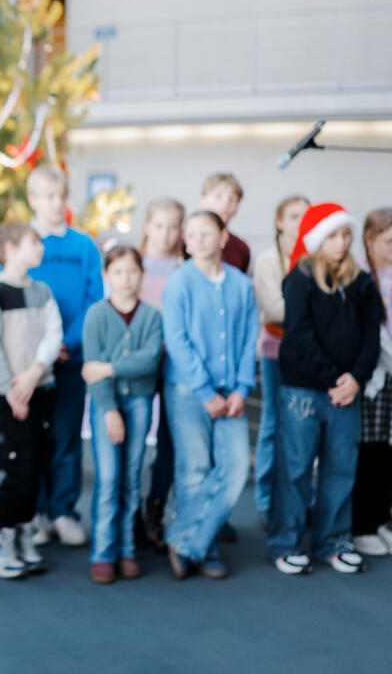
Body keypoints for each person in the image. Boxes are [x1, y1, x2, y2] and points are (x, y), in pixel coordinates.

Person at [268, 203, 383, 575]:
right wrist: (336, 378)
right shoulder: (299, 278)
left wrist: (356, 378)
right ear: (318, 238)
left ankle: (333, 541)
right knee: (296, 467)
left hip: (347, 392)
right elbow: (299, 335)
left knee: (340, 468)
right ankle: (285, 543)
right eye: (333, 235)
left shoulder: (361, 281)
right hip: (304, 390)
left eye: (346, 235)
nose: (341, 242)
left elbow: (371, 335)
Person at [162, 210, 258, 581]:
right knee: (195, 470)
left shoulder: (239, 284)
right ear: (186, 242)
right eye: (192, 234)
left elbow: (249, 336)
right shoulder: (180, 283)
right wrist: (205, 391)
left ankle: (184, 540)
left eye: (207, 232)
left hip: (231, 391)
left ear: (223, 237)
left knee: (234, 469)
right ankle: (205, 547)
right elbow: (178, 341)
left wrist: (240, 388)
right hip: (189, 391)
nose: (199, 240)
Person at [0, 223, 62, 579]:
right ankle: (0, 540)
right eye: (32, 242)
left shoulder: (42, 290)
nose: (40, 248)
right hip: (12, 397)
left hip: (39, 390)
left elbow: (52, 335)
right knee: (19, 468)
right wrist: (11, 390)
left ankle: (24, 534)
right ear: (9, 247)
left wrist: (34, 372)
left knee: (38, 464)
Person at [26, 165, 103, 547]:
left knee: (66, 436)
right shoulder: (22, 242)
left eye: (61, 196)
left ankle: (64, 511)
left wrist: (67, 344)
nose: (56, 203)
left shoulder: (83, 246)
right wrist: (38, 348)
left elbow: (94, 300)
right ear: (33, 200)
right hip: (31, 364)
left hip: (71, 359)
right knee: (34, 439)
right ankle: (37, 513)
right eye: (47, 196)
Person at [82, 246, 163, 583]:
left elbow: (149, 361)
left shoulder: (152, 316)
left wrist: (110, 367)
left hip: (141, 403)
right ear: (106, 276)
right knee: (109, 478)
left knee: (131, 477)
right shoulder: (97, 315)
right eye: (118, 272)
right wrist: (111, 410)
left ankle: (127, 549)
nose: (126, 278)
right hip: (106, 405)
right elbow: (90, 370)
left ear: (142, 274)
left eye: (132, 271)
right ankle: (103, 551)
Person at [252, 195, 310, 521]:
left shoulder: (315, 256)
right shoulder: (267, 259)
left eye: (305, 216)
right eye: (292, 216)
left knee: (304, 428)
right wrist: (315, 312)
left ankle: (301, 500)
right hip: (276, 351)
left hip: (309, 355)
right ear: (279, 222)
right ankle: (264, 499)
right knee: (272, 424)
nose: (299, 222)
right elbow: (273, 309)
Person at [137, 197, 184, 548]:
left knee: (169, 441)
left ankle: (156, 507)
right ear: (146, 227)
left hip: (174, 364)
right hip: (138, 364)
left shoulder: (186, 269)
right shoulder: (132, 266)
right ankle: (127, 513)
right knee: (133, 437)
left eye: (173, 226)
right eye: (159, 225)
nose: (166, 234)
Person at [354, 207, 392, 555]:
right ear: (370, 241)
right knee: (371, 449)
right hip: (374, 376)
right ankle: (363, 524)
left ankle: (383, 520)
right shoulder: (361, 278)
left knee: (388, 452)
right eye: (389, 241)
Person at [199, 172, 250, 273]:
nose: (225, 203)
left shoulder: (241, 248)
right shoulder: (183, 242)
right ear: (202, 200)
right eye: (218, 196)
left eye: (233, 199)